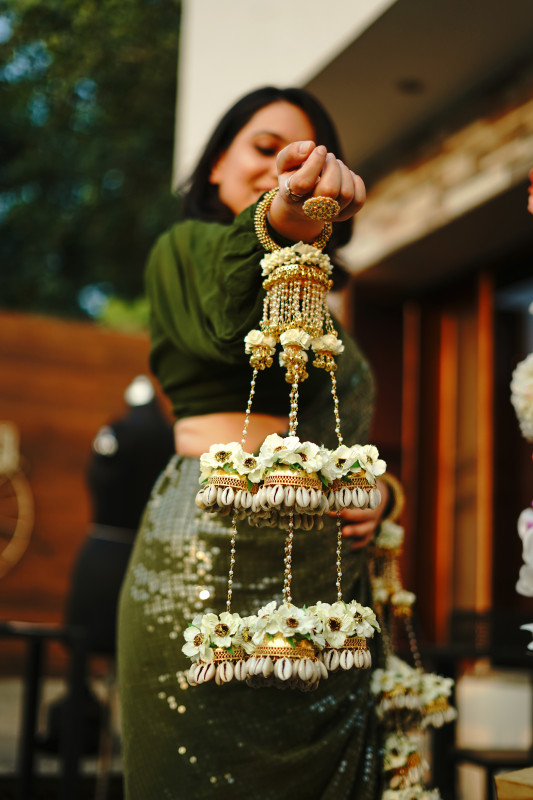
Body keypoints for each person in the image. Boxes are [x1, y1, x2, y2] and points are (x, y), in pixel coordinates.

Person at [118, 86, 391, 800]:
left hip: (329, 590)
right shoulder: (186, 250)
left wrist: (380, 497)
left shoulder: (321, 300)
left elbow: (342, 433)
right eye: (264, 150)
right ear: (215, 165)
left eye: (296, 159)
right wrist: (275, 218)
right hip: (212, 559)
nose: (280, 168)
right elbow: (225, 318)